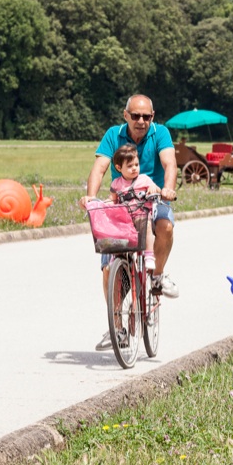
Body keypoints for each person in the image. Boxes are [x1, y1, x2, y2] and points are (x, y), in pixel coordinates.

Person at [81, 95, 178, 348]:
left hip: (152, 199)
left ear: (152, 117)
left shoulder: (161, 133)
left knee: (165, 225)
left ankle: (157, 276)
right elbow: (100, 168)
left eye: (146, 116)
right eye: (135, 116)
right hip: (122, 204)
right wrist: (91, 197)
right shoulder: (113, 135)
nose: (141, 121)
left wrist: (167, 189)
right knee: (107, 269)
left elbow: (169, 164)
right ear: (126, 116)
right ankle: (117, 329)